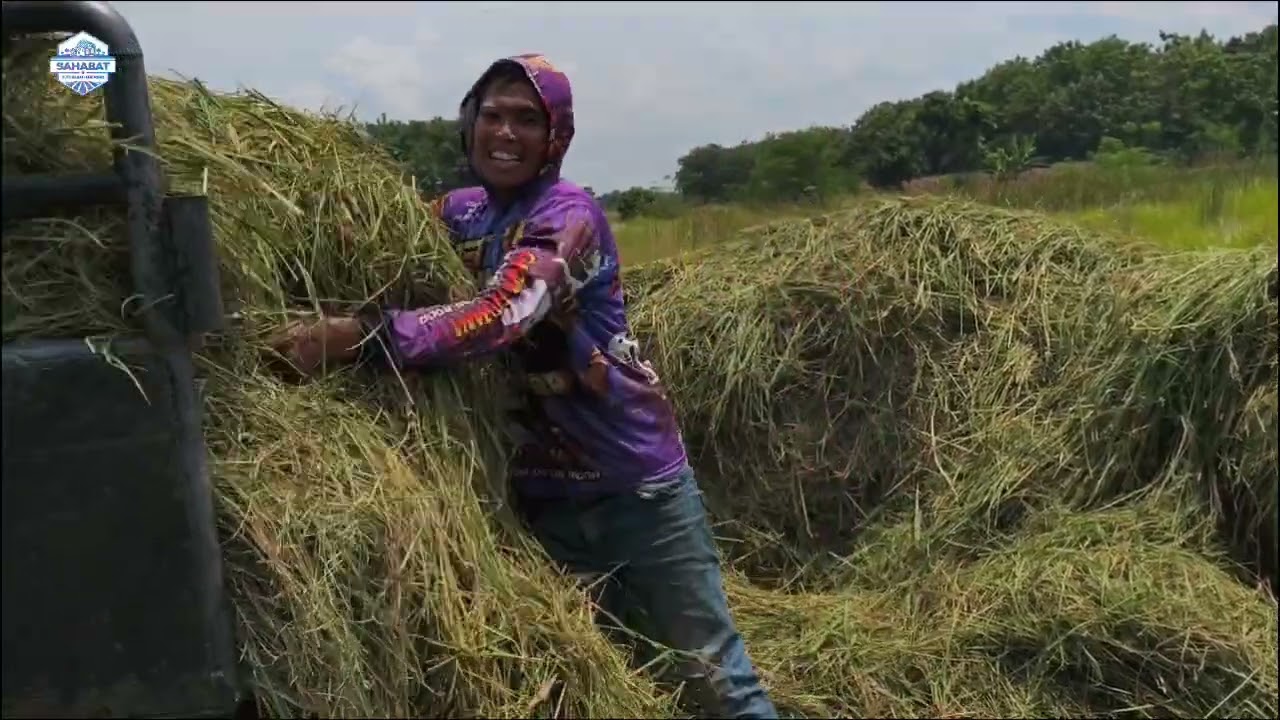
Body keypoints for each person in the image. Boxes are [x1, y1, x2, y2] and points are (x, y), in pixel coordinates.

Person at [269, 53, 779, 719]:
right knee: (590, 673)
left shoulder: (568, 217)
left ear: (555, 137)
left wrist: (356, 336)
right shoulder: (465, 211)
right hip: (541, 500)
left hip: (636, 493)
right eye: (492, 115)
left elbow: (504, 311)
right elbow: (381, 230)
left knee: (714, 676)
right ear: (468, 124)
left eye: (526, 120)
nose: (504, 133)